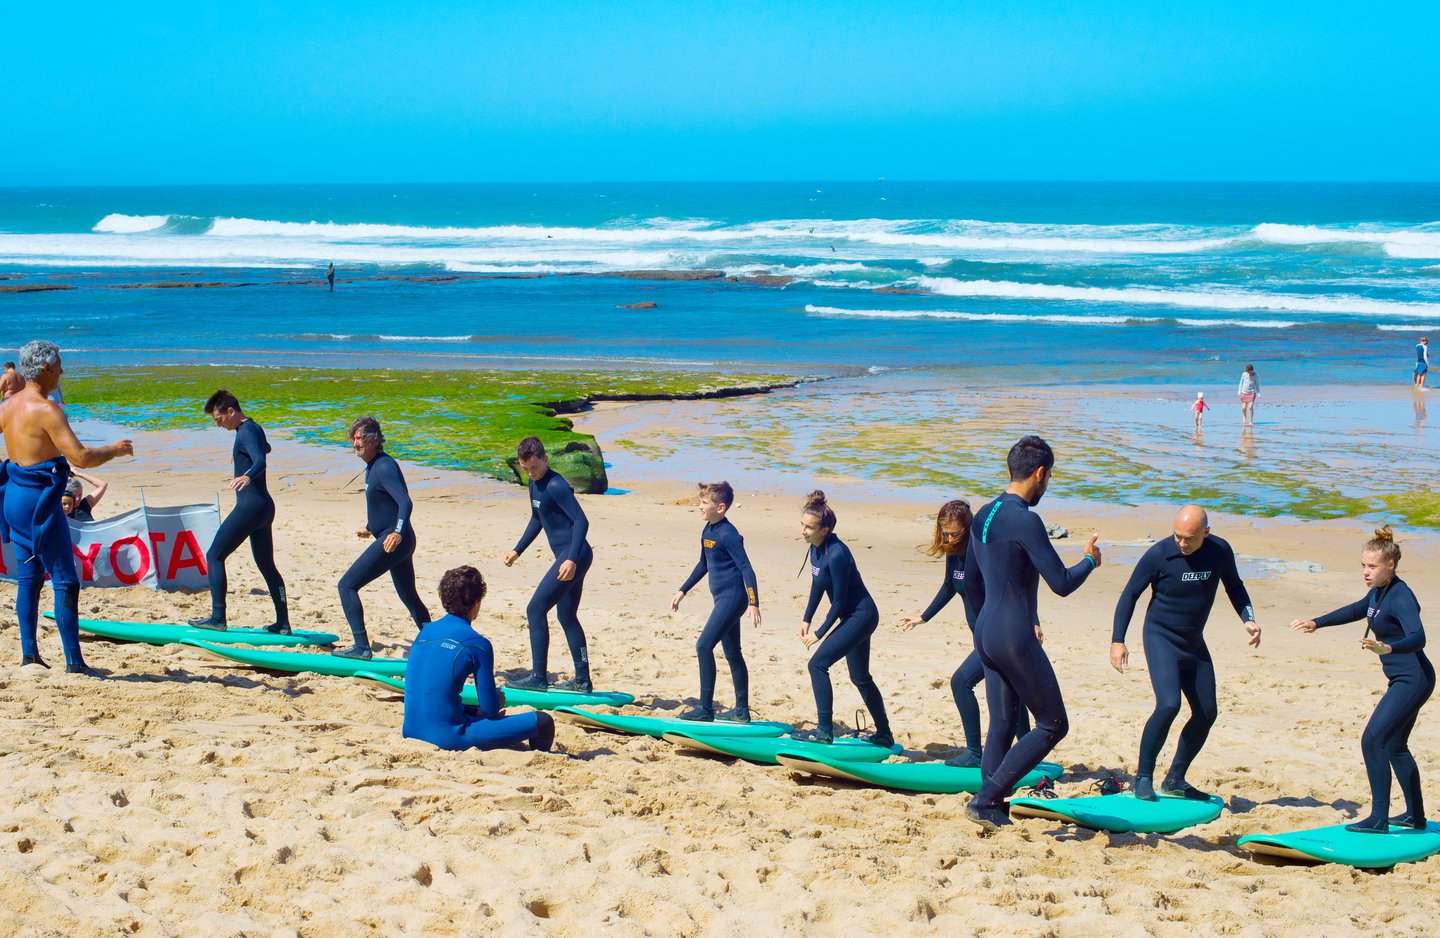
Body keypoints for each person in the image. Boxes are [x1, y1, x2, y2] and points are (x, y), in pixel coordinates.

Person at [963, 436, 1101, 830]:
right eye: (1049, 476)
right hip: (1012, 633)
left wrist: (986, 628)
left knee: (1003, 724)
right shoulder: (1025, 519)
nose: (1048, 483)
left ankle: (991, 806)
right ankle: (987, 798)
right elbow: (1060, 582)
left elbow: (971, 580)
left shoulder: (983, 514)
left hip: (986, 630)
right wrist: (1090, 561)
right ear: (1039, 473)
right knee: (1052, 724)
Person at [1111, 505, 1261, 801]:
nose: (1182, 543)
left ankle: (1176, 779)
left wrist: (1249, 618)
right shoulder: (1159, 554)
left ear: (1206, 532)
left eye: (1189, 538)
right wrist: (1118, 639)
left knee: (1206, 712)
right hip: (1161, 637)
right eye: (1178, 535)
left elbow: (1235, 586)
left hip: (1193, 641)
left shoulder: (1219, 550)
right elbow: (1130, 593)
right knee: (1168, 704)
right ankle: (1143, 777)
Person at [1289, 526, 1434, 833]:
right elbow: (1358, 609)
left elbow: (1419, 637)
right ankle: (1415, 816)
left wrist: (1389, 647)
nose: (1366, 572)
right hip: (1403, 678)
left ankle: (1379, 818)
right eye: (1363, 566)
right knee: (1395, 744)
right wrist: (1318, 622)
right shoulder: (1379, 591)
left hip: (1413, 678)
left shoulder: (1401, 596)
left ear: (1390, 566)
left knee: (1373, 739)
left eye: (1372, 567)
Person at [0, 340, 132, 673]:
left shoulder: (8, 406)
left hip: (15, 497)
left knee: (29, 578)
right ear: (45, 368)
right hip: (39, 504)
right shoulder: (47, 409)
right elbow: (81, 457)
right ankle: (75, 663)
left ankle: (29, 655)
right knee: (66, 581)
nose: (62, 369)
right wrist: (115, 449)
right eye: (59, 363)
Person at [898, 499, 1036, 768]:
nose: (949, 538)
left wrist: (1032, 620)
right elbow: (950, 586)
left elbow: (1016, 583)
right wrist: (923, 617)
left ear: (968, 527)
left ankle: (976, 753)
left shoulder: (982, 551)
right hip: (982, 636)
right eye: (945, 532)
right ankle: (1026, 753)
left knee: (961, 682)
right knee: (1013, 690)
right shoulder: (953, 551)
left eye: (955, 533)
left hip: (1000, 634)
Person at [402, 565, 556, 752]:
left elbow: (433, 695)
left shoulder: (425, 631)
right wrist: (495, 703)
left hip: (411, 730)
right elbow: (491, 710)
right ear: (476, 603)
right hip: (449, 736)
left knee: (450, 703)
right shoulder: (477, 644)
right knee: (543, 722)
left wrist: (476, 711)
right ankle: (540, 759)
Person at [796, 491, 893, 746]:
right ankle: (884, 734)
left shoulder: (837, 554)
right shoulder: (816, 549)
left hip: (861, 615)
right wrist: (807, 619)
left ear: (825, 529)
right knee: (860, 677)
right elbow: (818, 584)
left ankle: (824, 731)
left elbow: (838, 602)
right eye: (802, 524)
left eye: (809, 527)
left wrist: (819, 633)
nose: (803, 531)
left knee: (817, 665)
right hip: (852, 616)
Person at [190, 390, 291, 634]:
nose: (218, 424)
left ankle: (217, 618)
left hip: (250, 506)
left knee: (214, 555)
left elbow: (260, 460)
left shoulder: (246, 431)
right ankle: (283, 623)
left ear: (231, 411)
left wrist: (247, 475)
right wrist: (259, 452)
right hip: (264, 507)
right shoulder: (252, 428)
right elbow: (265, 448)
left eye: (219, 419)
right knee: (266, 565)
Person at [336, 416, 431, 659]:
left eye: (360, 438)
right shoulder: (372, 467)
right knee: (409, 596)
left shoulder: (384, 466)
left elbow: (404, 502)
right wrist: (370, 527)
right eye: (353, 439)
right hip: (397, 539)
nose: (355, 443)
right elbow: (384, 504)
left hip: (395, 540)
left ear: (375, 440)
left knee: (347, 585)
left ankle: (361, 647)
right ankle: (432, 644)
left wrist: (397, 532)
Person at [503, 437, 594, 691]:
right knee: (566, 615)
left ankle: (539, 677)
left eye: (535, 467)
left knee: (535, 609)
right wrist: (517, 550)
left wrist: (572, 559)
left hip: (574, 555)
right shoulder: (534, 484)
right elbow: (537, 519)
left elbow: (581, 521)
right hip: (570, 556)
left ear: (545, 459)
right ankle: (583, 681)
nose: (531, 472)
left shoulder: (555, 485)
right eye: (526, 469)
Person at [671, 481, 760, 722]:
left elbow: (746, 568)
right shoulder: (708, 531)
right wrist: (683, 589)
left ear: (720, 508)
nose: (698, 506)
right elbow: (703, 564)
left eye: (703, 503)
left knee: (703, 646)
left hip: (733, 598)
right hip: (722, 598)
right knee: (732, 653)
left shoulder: (729, 534)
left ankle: (706, 709)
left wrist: (754, 602)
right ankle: (741, 711)